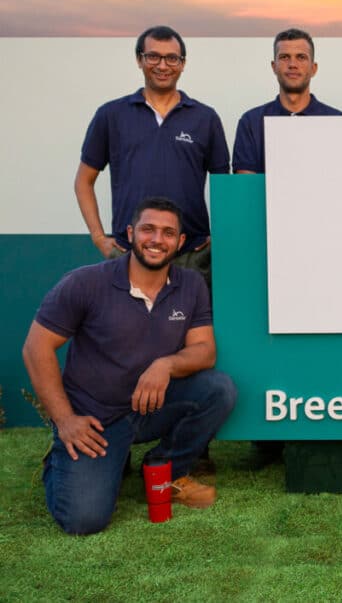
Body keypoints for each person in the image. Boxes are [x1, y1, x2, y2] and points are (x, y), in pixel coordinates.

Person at [22, 197, 237, 535]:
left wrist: (165, 365)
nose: (157, 240)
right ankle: (62, 457)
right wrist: (64, 420)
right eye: (148, 229)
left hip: (151, 407)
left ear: (180, 242)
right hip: (96, 418)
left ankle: (164, 468)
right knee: (84, 520)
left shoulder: (191, 285)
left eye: (168, 233)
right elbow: (36, 348)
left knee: (219, 390)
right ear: (130, 233)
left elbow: (204, 351)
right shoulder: (85, 283)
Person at [74, 25, 230, 288]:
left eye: (172, 58)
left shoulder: (205, 118)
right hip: (129, 254)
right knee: (127, 330)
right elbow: (83, 181)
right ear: (139, 60)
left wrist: (220, 234)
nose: (163, 65)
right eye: (153, 56)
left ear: (182, 65)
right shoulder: (111, 116)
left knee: (196, 330)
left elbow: (225, 185)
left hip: (192, 257)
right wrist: (99, 238)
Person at [233, 28, 342, 174]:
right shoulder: (251, 122)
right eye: (285, 57)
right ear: (274, 67)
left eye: (301, 57)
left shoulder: (338, 122)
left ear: (313, 68)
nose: (293, 64)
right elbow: (246, 186)